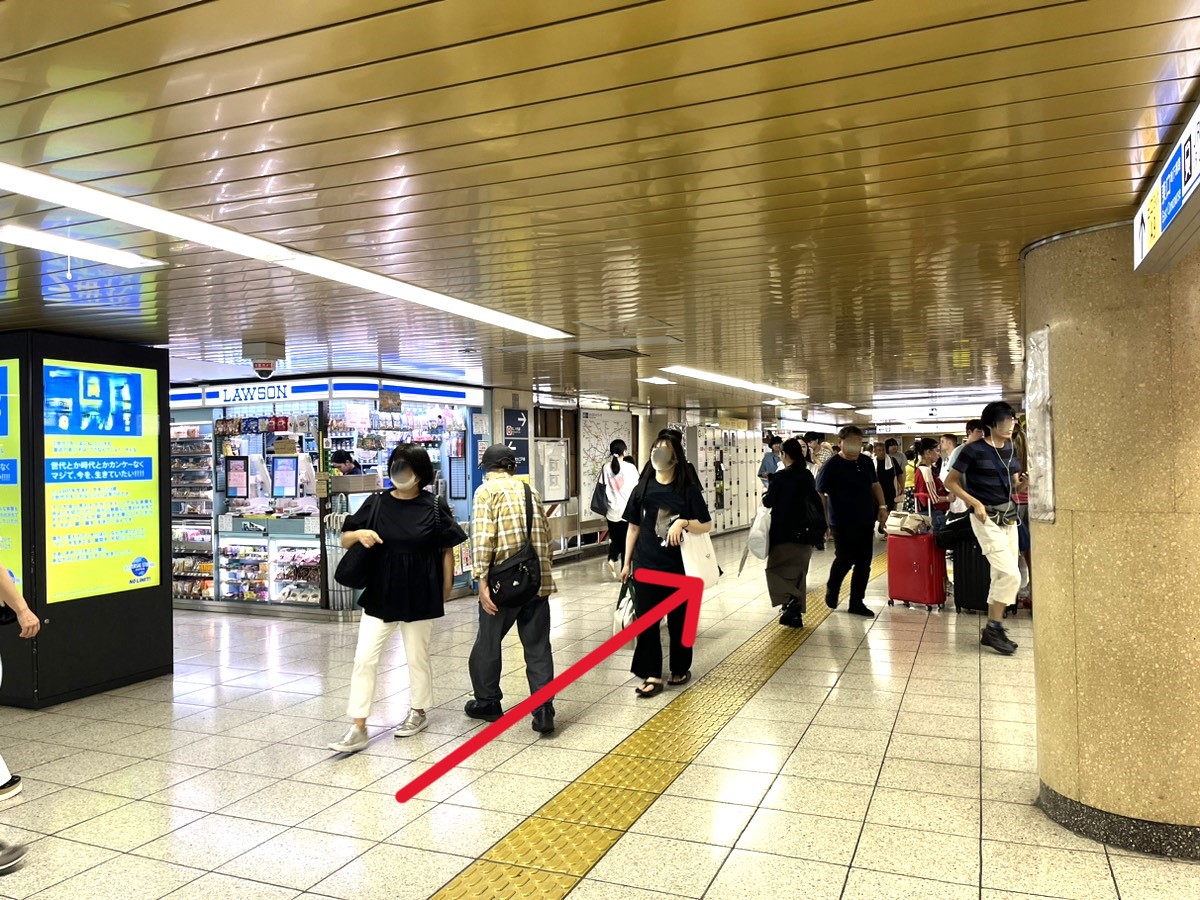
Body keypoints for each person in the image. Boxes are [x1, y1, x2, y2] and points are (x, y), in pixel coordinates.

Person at [329, 446, 467, 753]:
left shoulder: (433, 505)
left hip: (421, 591)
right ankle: (358, 725)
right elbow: (345, 537)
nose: (399, 472)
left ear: (420, 473)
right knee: (364, 658)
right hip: (381, 591)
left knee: (417, 656)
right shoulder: (376, 502)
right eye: (395, 466)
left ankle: (418, 711)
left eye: (406, 467)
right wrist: (361, 534)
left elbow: (447, 548)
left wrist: (445, 588)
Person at [467, 444, 557, 733]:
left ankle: (488, 702)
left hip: (502, 587)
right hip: (535, 582)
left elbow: (483, 539)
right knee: (538, 647)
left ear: (487, 468)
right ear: (511, 467)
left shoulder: (486, 492)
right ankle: (543, 709)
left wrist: (481, 581)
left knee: (488, 644)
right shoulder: (531, 492)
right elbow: (546, 536)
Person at [621, 431, 713, 697]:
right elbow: (633, 528)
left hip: (679, 568)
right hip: (646, 565)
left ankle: (680, 667)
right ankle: (652, 674)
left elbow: (706, 524)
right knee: (647, 623)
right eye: (656, 447)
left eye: (665, 449)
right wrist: (627, 563)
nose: (658, 452)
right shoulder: (643, 488)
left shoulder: (687, 489)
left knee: (679, 622)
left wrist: (683, 522)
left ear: (675, 456)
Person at [944, 401, 1027, 656]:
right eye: (1005, 421)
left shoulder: (1010, 449)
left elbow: (1014, 487)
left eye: (1012, 420)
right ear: (991, 425)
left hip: (1009, 517)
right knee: (1012, 574)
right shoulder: (974, 450)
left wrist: (1024, 484)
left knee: (1001, 575)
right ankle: (994, 626)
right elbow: (950, 482)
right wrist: (975, 502)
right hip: (985, 518)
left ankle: (994, 627)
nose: (1010, 424)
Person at [817, 426, 888, 618]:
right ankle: (833, 587)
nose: (855, 444)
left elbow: (875, 485)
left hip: (865, 519)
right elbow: (821, 494)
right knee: (845, 559)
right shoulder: (831, 465)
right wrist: (825, 521)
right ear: (840, 442)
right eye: (850, 441)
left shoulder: (865, 461)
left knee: (864, 563)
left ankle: (856, 602)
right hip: (841, 521)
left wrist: (882, 507)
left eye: (858, 441)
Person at [763, 438, 826, 628]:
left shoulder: (781, 477)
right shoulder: (806, 474)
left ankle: (790, 604)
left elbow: (769, 502)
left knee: (776, 571)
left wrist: (768, 492)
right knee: (798, 574)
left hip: (784, 533)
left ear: (784, 454)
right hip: (806, 533)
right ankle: (794, 613)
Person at [601, 440, 639, 578]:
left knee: (616, 539)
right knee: (627, 543)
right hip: (627, 511)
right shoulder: (630, 468)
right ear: (624, 451)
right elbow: (637, 488)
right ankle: (625, 572)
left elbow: (602, 487)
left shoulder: (605, 467)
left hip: (611, 511)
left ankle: (612, 559)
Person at [944, 420, 985, 517]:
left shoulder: (983, 449)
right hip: (964, 497)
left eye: (983, 432)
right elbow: (953, 479)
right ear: (969, 432)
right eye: (978, 431)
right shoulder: (959, 451)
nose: (982, 434)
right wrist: (967, 499)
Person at [913, 437, 952, 532]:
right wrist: (948, 498)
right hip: (933, 515)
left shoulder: (920, 469)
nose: (939, 454)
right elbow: (933, 498)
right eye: (937, 451)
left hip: (928, 513)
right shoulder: (926, 471)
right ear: (928, 453)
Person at [872, 443, 902, 536]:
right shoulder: (871, 462)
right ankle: (881, 525)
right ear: (875, 451)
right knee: (876, 511)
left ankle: (885, 530)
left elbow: (899, 474)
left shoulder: (892, 461)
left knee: (888, 511)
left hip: (889, 491)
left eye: (883, 450)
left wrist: (902, 487)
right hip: (875, 492)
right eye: (879, 450)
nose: (881, 452)